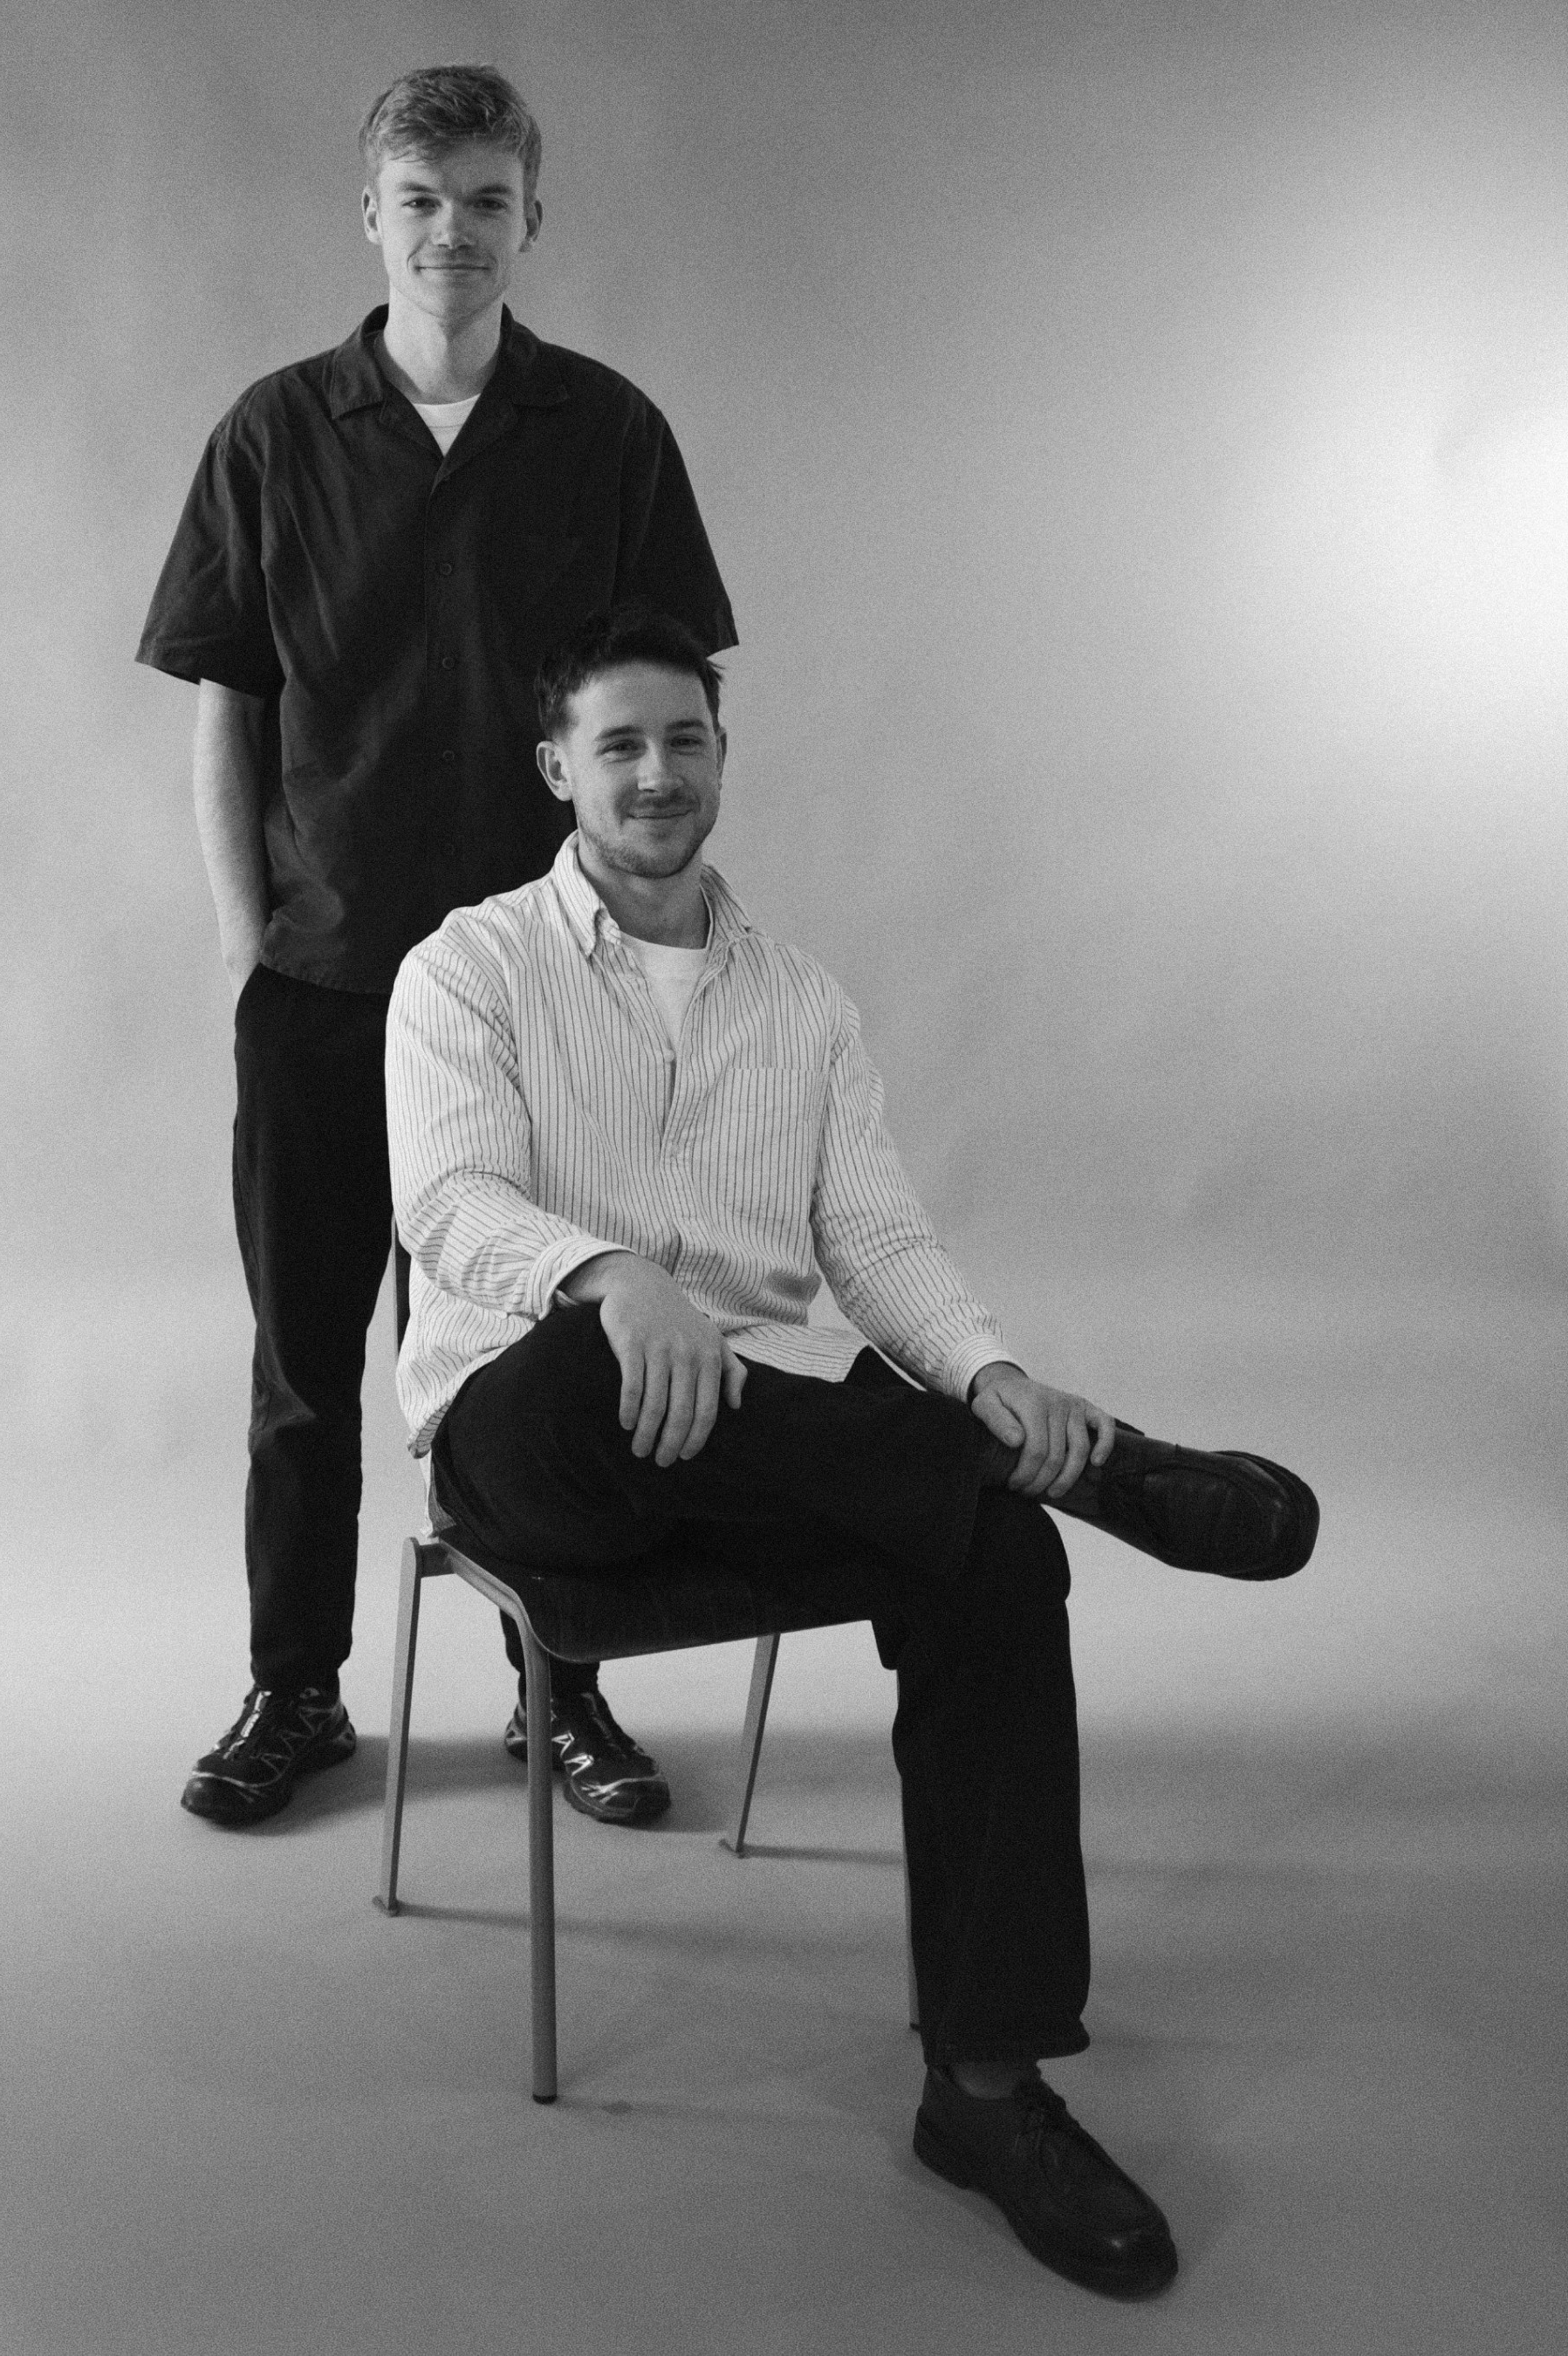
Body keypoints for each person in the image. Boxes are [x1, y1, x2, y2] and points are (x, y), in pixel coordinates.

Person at [384, 606, 1318, 2300]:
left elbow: (876, 1241)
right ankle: (1096, 1467)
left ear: (721, 757)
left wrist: (992, 1373)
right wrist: (615, 1279)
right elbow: (448, 1203)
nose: (656, 774)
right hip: (545, 1446)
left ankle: (988, 2090)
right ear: (556, 770)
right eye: (618, 745)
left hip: (767, 1451)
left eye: (684, 740)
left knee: (999, 1551)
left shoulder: (802, 1002)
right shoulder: (467, 968)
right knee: (601, 1365)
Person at [135, 67, 736, 1829]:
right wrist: (251, 949)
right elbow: (229, 709)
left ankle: (564, 1686)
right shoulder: (274, 436)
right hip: (325, 988)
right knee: (306, 1364)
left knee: (545, 1356)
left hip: (545, 998)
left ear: (529, 218)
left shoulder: (606, 433)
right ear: (371, 217)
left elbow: (657, 708)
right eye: (419, 199)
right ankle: (295, 1689)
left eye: (484, 200)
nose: (451, 232)